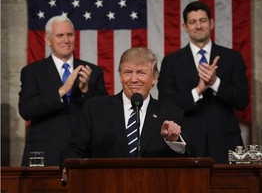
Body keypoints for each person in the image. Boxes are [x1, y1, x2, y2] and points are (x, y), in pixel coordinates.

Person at [60, 47, 196, 182]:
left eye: (141, 73)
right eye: (128, 72)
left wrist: (174, 141)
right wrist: (68, 167)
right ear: (120, 75)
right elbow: (74, 148)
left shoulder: (171, 113)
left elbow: (190, 158)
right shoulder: (94, 109)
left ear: (154, 78)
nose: (134, 79)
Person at [157, 1, 249, 164]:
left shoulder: (232, 58)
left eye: (203, 20)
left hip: (226, 142)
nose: (198, 26)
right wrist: (197, 91)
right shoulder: (171, 61)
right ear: (185, 27)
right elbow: (166, 104)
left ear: (211, 23)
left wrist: (215, 82)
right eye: (192, 22)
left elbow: (242, 101)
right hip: (187, 141)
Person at [19, 15, 108, 166]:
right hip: (45, 152)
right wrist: (62, 91)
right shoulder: (32, 72)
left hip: (83, 151)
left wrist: (86, 91)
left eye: (70, 35)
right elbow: (26, 110)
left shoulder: (93, 71)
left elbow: (104, 113)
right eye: (60, 35)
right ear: (47, 40)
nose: (66, 40)